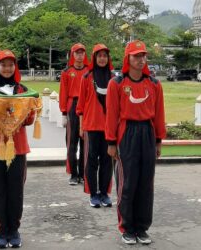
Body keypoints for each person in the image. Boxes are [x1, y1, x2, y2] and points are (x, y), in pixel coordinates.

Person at [105, 40, 166, 245]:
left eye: (143, 56)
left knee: (146, 183)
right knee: (127, 183)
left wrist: (158, 140)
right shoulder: (117, 83)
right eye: (136, 56)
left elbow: (158, 115)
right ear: (128, 59)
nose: (141, 60)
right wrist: (111, 142)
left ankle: (142, 228)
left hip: (147, 133)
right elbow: (112, 115)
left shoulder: (154, 84)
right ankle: (127, 227)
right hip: (126, 133)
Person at [0, 50, 35, 248]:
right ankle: (1, 230)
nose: (7, 68)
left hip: (17, 147)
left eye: (11, 65)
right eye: (4, 65)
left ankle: (14, 230)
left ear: (15, 67)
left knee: (16, 190)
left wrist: (29, 108)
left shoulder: (22, 90)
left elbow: (29, 120)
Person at [76, 44, 114, 208]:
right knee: (91, 161)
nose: (102, 58)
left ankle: (104, 193)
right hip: (91, 126)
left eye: (105, 55)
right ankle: (93, 194)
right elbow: (81, 105)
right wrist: (81, 126)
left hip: (109, 127)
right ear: (94, 58)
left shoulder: (114, 78)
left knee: (107, 161)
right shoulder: (86, 77)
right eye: (99, 55)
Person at [59, 43, 89, 185]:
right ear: (73, 55)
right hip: (72, 106)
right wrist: (64, 113)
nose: (79, 55)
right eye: (77, 53)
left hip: (86, 108)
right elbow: (63, 93)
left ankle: (83, 174)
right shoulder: (66, 72)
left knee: (85, 142)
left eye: (82, 52)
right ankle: (73, 174)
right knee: (72, 143)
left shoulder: (89, 71)